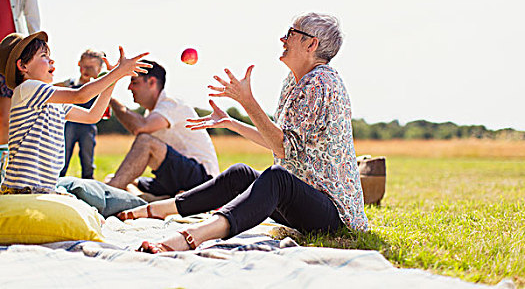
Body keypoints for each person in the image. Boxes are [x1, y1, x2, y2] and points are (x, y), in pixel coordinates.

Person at [118, 13, 369, 253]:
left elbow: (283, 148)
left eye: (291, 33)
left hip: (333, 215)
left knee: (276, 178)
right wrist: (231, 123)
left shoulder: (321, 82)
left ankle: (191, 237)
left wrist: (247, 101)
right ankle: (158, 209)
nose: (283, 39)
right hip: (302, 203)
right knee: (241, 175)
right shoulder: (294, 82)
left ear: (311, 44)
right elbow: (280, 142)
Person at [0, 31, 150, 194]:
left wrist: (113, 79)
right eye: (43, 55)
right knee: (95, 201)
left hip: (44, 189)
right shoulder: (27, 89)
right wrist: (117, 72)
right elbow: (79, 95)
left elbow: (92, 116)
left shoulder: (52, 101)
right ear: (23, 66)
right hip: (23, 190)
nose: (52, 60)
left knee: (99, 196)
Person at [104, 60, 220, 201]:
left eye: (134, 82)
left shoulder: (172, 104)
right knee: (113, 178)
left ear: (152, 82)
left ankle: (107, 196)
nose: (129, 88)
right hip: (173, 179)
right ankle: (155, 200)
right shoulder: (152, 114)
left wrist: (111, 99)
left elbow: (140, 128)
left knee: (144, 142)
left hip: (202, 178)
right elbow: (137, 126)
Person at [0, 0, 40, 175]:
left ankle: (3, 171)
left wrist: (37, 49)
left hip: (8, 55)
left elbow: (31, 14)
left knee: (5, 117)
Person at [56, 49, 107, 179]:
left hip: (88, 127)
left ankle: (88, 180)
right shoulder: (70, 83)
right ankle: (59, 178)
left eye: (91, 68)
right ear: (79, 64)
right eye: (84, 66)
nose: (87, 71)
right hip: (69, 124)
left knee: (87, 156)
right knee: (63, 155)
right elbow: (51, 89)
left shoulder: (99, 86)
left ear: (100, 68)